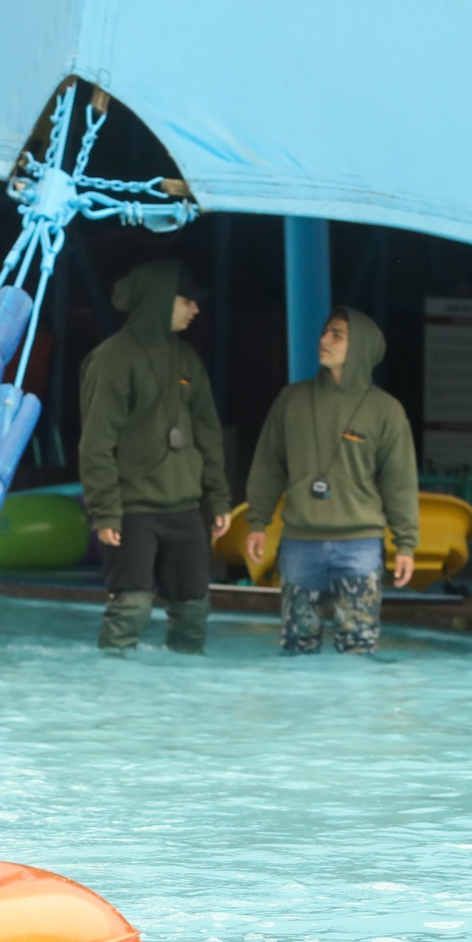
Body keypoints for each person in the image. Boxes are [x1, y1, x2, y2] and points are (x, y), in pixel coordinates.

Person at [78, 258, 232, 654]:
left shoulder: (187, 359)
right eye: (188, 300)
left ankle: (180, 701)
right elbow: (96, 441)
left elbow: (208, 432)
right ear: (161, 300)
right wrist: (106, 509)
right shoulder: (111, 359)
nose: (195, 309)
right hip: (132, 508)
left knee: (194, 611)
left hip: (184, 507)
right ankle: (115, 695)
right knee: (131, 608)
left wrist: (217, 498)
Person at [244, 307, 418, 656]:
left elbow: (399, 483)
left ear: (362, 346)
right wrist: (257, 521)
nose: (324, 340)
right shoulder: (291, 399)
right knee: (296, 645)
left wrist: (407, 544)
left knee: (359, 647)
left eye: (337, 334)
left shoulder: (386, 410)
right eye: (325, 332)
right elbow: (268, 464)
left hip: (360, 545)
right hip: (299, 542)